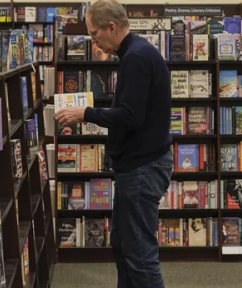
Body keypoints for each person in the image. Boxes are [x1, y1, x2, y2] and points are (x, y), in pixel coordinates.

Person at [53, 1, 171, 286]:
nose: (93, 41)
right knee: (123, 245)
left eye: (94, 34)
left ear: (112, 27)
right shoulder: (136, 52)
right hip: (137, 167)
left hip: (142, 168)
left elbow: (131, 116)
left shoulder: (135, 58)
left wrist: (85, 113)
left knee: (140, 254)